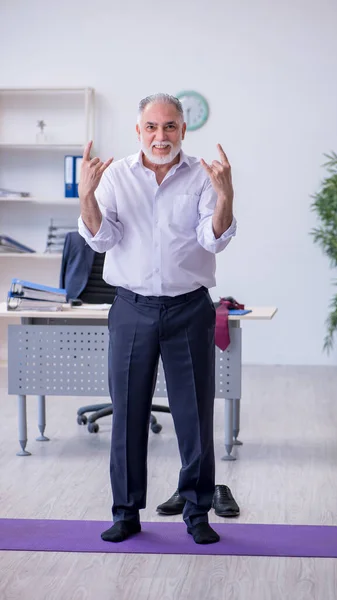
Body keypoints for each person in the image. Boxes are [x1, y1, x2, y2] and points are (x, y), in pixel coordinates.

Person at [78, 93, 236, 545]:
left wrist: (225, 196)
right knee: (127, 414)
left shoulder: (203, 178)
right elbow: (102, 238)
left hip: (189, 308)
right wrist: (88, 194)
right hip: (131, 308)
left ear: (183, 131)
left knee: (194, 416)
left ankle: (196, 511)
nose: (160, 136)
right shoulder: (115, 178)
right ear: (138, 131)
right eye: (152, 127)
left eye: (170, 127)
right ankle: (126, 513)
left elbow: (215, 238)